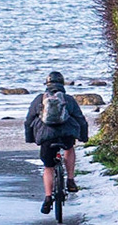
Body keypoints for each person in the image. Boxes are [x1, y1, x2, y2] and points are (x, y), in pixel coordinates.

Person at [24, 71, 89, 213]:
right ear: (62, 84)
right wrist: (83, 137)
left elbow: (28, 121)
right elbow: (80, 119)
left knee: (48, 167)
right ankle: (70, 180)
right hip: (66, 134)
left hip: (46, 137)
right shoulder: (68, 99)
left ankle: (48, 197)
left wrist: (30, 138)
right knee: (69, 148)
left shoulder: (39, 99)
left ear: (47, 85)